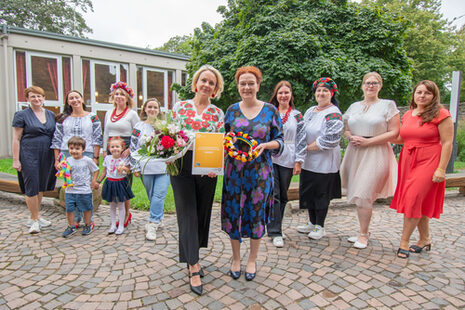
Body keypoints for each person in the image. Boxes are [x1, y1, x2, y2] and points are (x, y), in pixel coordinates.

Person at [222, 66, 283, 282]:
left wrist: (266, 145)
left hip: (260, 175)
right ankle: (236, 258)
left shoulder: (270, 111)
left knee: (256, 216)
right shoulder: (230, 111)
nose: (246, 87)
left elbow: (281, 140)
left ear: (258, 85)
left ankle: (252, 260)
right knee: (234, 215)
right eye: (242, 83)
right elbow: (223, 140)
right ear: (237, 86)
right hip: (233, 174)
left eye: (251, 83)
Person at [171, 65, 225, 295]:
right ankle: (193, 265)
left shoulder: (217, 113)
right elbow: (170, 134)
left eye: (211, 83)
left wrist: (215, 166)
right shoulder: (180, 107)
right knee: (187, 214)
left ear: (215, 89)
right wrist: (167, 155)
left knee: (202, 213)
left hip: (206, 167)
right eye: (203, 80)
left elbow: (220, 142)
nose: (206, 85)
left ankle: (192, 255)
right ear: (196, 83)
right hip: (181, 164)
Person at [390, 80, 453, 259]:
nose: (422, 96)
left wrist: (441, 169)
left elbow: (447, 142)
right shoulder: (409, 114)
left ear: (434, 95)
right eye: (419, 92)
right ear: (414, 95)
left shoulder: (441, 114)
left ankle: (404, 241)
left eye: (427, 93)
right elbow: (402, 138)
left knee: (413, 198)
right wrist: (378, 139)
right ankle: (424, 238)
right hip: (408, 160)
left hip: (429, 159)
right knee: (419, 202)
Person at [340, 72, 400, 249]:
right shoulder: (354, 106)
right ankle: (362, 229)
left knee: (365, 193)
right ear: (362, 86)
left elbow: (394, 132)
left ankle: (364, 234)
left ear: (380, 86)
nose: (371, 86)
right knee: (358, 193)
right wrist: (350, 137)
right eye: (367, 83)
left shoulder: (388, 105)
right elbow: (347, 128)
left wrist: (368, 141)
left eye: (375, 83)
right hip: (356, 151)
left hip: (376, 150)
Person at [294, 77, 344, 240]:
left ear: (331, 93)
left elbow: (330, 139)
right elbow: (301, 130)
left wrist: (305, 148)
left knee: (321, 193)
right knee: (309, 192)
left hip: (324, 162)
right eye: (318, 90)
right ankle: (311, 222)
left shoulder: (333, 113)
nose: (321, 93)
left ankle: (319, 226)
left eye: (325, 91)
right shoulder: (310, 111)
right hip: (308, 161)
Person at [51, 90, 103, 228]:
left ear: (82, 99)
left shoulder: (93, 117)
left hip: (88, 153)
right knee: (71, 186)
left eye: (77, 97)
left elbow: (97, 138)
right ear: (68, 102)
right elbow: (57, 138)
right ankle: (75, 218)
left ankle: (88, 219)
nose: (74, 100)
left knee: (85, 186)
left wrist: (96, 157)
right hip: (66, 154)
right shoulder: (63, 118)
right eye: (71, 98)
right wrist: (57, 159)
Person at [12, 86, 57, 234]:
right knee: (31, 186)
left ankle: (36, 216)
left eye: (39, 96)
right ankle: (34, 219)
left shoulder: (50, 114)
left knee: (40, 185)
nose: (36, 99)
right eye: (33, 97)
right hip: (29, 154)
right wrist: (16, 160)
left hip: (47, 155)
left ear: (44, 98)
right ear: (27, 99)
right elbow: (16, 138)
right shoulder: (21, 115)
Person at [266, 81, 302, 248]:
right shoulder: (269, 113)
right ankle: (275, 231)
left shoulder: (297, 116)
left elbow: (301, 139)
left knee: (283, 195)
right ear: (276, 95)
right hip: (271, 157)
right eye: (280, 93)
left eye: (286, 92)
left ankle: (275, 226)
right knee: (274, 194)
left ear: (290, 95)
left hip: (289, 156)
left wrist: (298, 161)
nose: (283, 96)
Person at [130, 98, 170, 241]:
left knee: (159, 195)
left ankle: (152, 224)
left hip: (163, 166)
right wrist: (134, 166)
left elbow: (172, 146)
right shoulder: (138, 127)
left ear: (159, 110)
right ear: (145, 109)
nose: (152, 109)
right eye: (150, 107)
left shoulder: (165, 126)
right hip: (145, 167)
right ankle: (159, 217)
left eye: (155, 107)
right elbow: (133, 147)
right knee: (152, 196)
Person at [103, 81, 140, 228]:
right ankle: (115, 214)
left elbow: (137, 133)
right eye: (116, 94)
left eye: (122, 95)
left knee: (124, 183)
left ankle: (126, 214)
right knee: (112, 180)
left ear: (127, 98)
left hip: (125, 148)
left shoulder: (132, 114)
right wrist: (104, 150)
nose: (119, 96)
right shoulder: (108, 113)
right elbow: (106, 131)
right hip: (112, 148)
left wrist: (130, 148)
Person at [61, 137, 99, 237]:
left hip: (84, 190)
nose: (74, 151)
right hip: (70, 190)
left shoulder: (87, 160)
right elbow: (63, 171)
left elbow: (96, 170)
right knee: (69, 209)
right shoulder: (67, 160)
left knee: (86, 208)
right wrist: (61, 167)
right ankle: (71, 226)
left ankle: (88, 224)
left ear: (83, 150)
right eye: (71, 148)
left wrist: (94, 180)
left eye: (77, 149)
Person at [99, 137, 134, 235]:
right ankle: (113, 224)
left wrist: (123, 168)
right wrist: (98, 181)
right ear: (109, 148)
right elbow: (104, 171)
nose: (115, 149)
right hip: (110, 183)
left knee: (121, 205)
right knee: (112, 205)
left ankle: (121, 225)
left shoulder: (124, 159)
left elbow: (128, 170)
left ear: (122, 148)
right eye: (112, 147)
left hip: (120, 183)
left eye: (117, 146)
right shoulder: (107, 158)